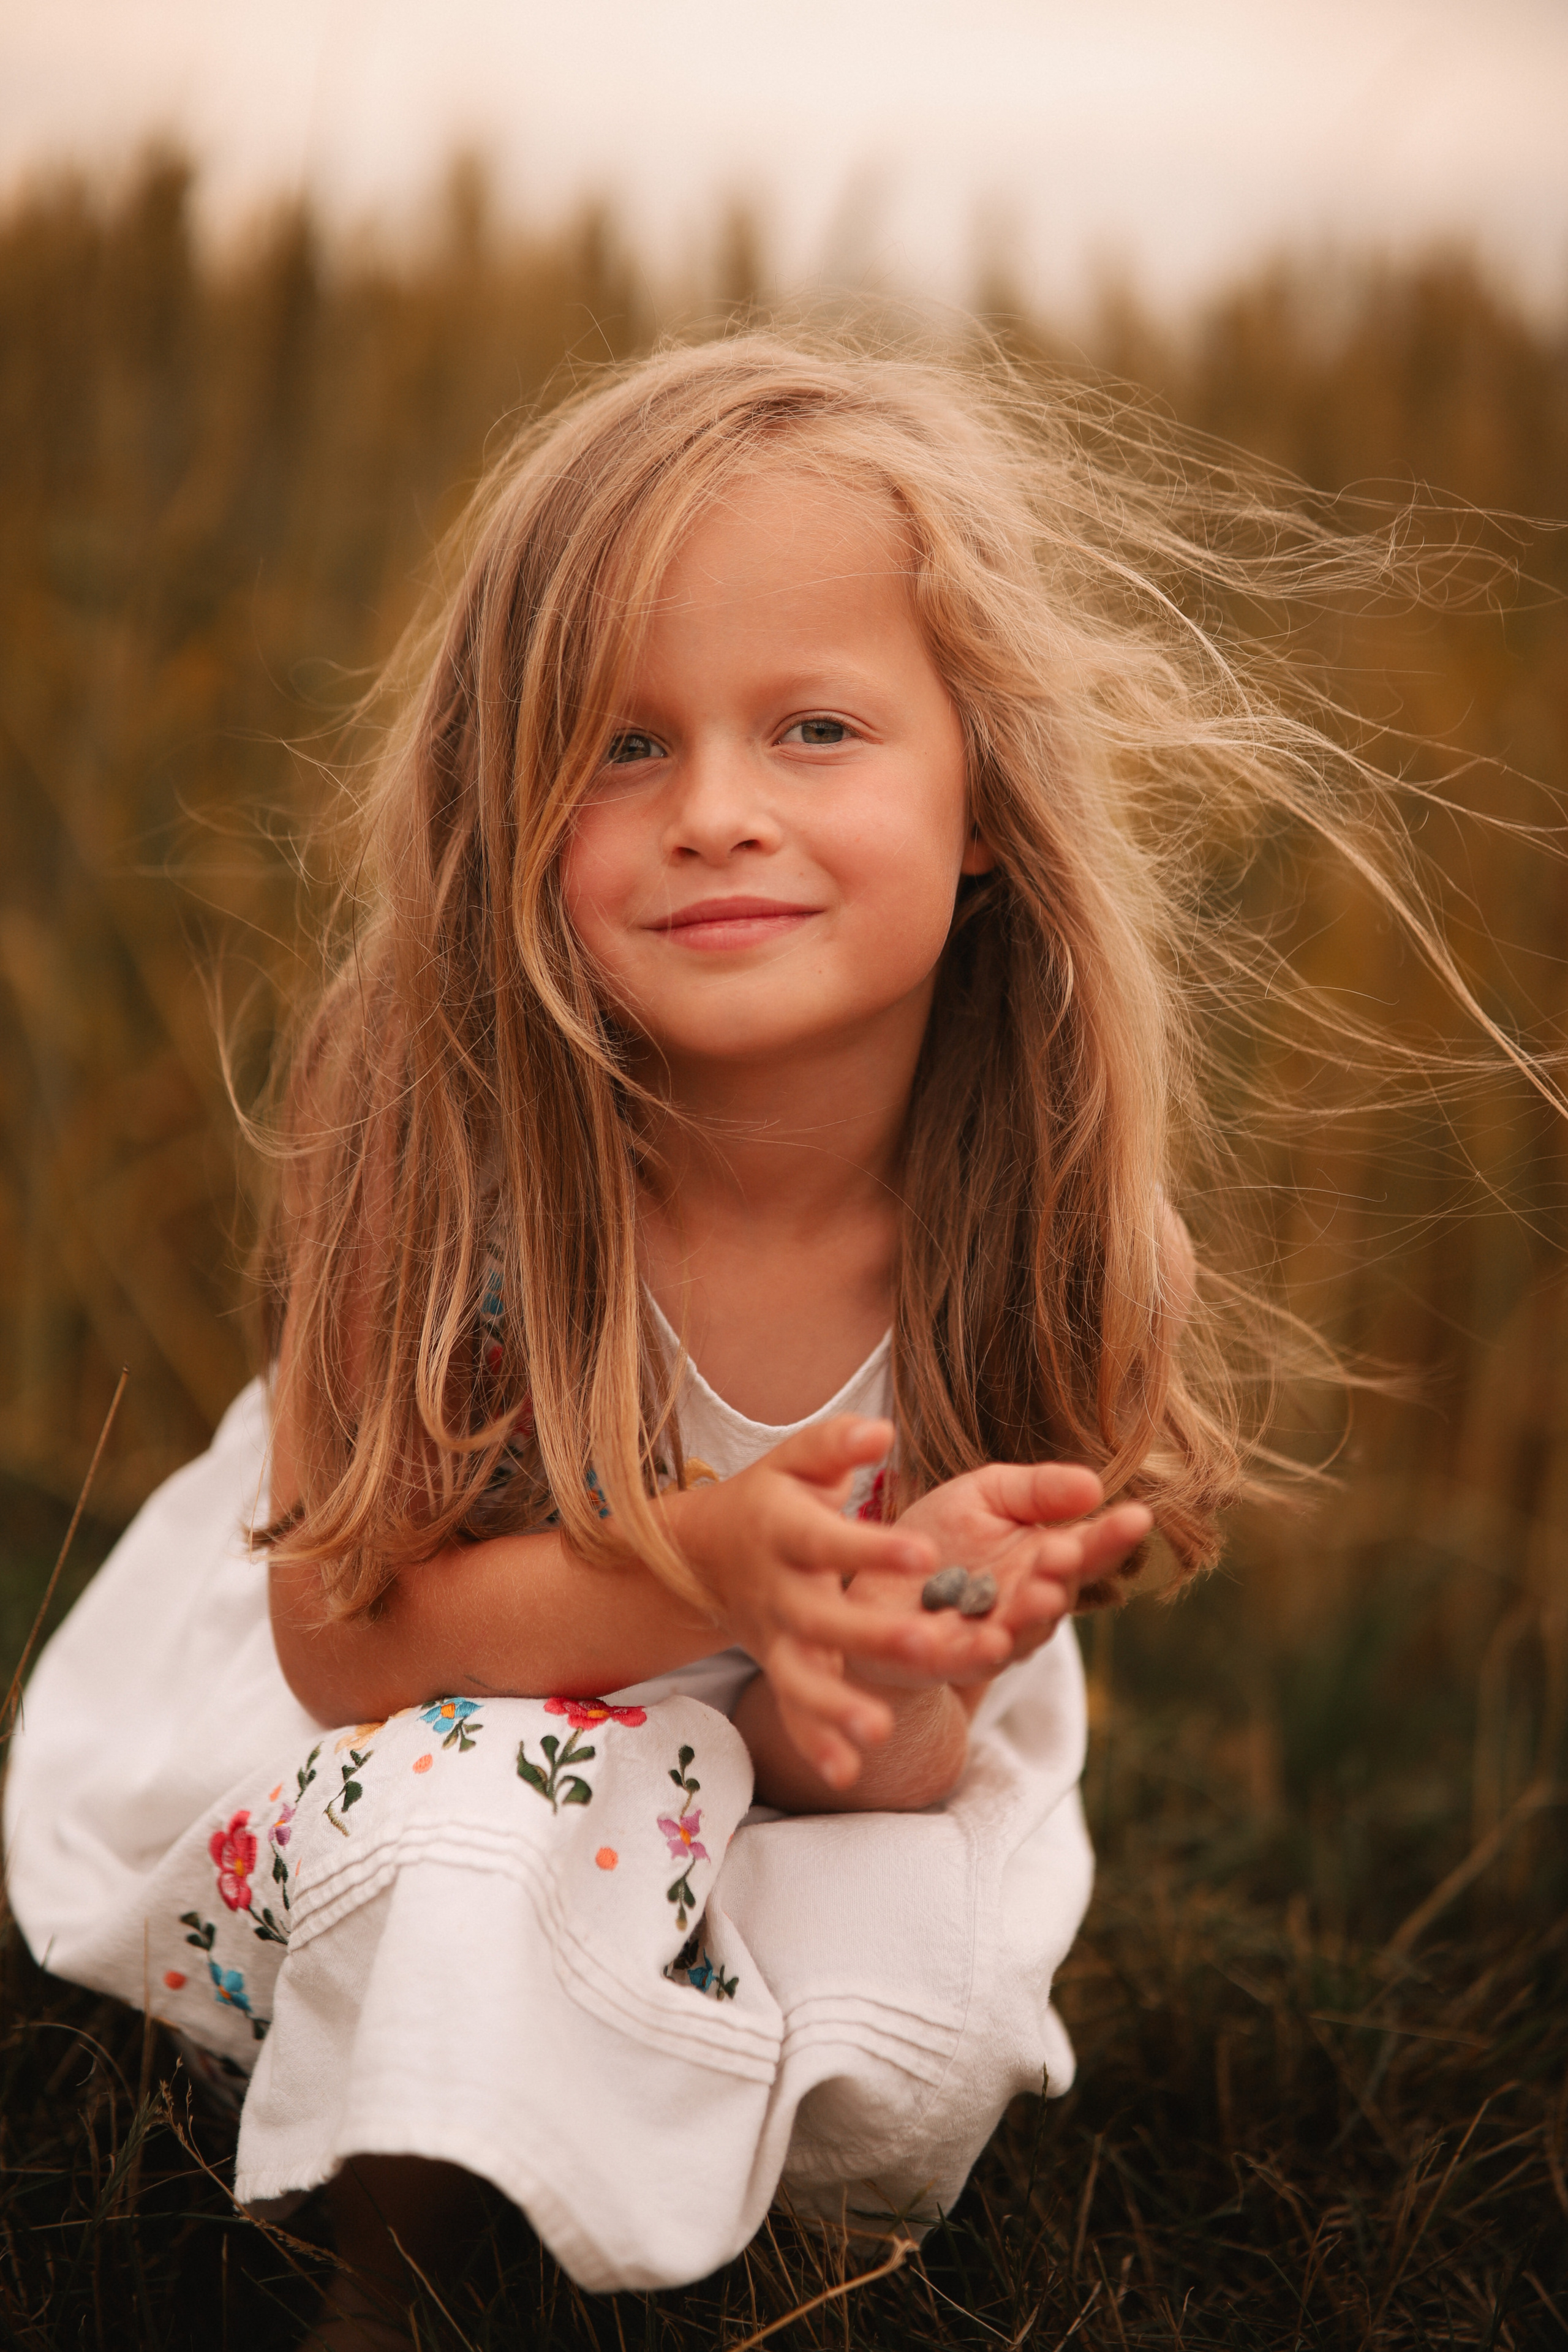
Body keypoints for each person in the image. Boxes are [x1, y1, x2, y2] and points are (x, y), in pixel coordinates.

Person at [4, 331, 1435, 2346]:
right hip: (435, 1711)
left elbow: (863, 1768)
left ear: (984, 798)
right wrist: (699, 1566)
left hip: (780, 1779)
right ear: (506, 804)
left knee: (905, 2000)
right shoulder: (433, 1144)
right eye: (620, 745)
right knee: (482, 1833)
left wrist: (888, 1677)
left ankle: (725, 2226)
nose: (717, 814)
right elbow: (346, 1649)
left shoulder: (1053, 1231)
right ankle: (395, 2275)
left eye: (817, 729)